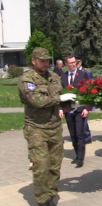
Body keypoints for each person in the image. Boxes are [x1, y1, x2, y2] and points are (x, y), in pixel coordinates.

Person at [18, 47, 76, 206]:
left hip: (55, 127)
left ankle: (50, 194)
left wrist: (73, 103)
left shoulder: (54, 76)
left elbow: (59, 100)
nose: (45, 63)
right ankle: (42, 200)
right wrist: (59, 98)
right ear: (33, 61)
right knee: (41, 166)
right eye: (41, 60)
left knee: (55, 165)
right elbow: (37, 101)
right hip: (36, 128)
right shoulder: (27, 79)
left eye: (47, 60)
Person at [59, 55, 89, 168]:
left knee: (79, 133)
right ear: (66, 64)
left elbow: (88, 92)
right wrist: (60, 109)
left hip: (80, 109)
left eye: (74, 62)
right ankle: (77, 155)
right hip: (68, 110)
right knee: (72, 134)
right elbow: (60, 94)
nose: (72, 64)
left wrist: (87, 108)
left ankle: (81, 158)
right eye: (70, 63)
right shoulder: (63, 76)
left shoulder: (82, 74)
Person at [76, 57, 92, 144]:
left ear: (80, 62)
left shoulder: (86, 72)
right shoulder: (73, 72)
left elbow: (89, 86)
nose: (76, 64)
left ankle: (86, 137)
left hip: (85, 99)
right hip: (77, 99)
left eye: (77, 63)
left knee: (84, 120)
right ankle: (85, 135)